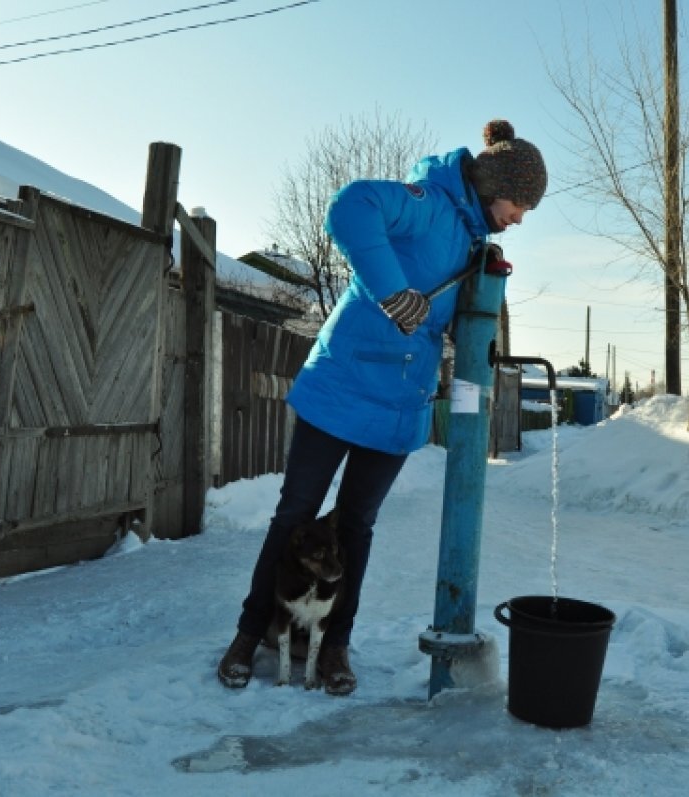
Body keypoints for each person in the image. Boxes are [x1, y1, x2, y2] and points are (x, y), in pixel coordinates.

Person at [217, 119, 547, 695]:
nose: (520, 217)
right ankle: (252, 632)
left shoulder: (471, 239)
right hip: (342, 387)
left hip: (398, 406)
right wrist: (392, 291)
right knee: (296, 515)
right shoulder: (429, 205)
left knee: (357, 528)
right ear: (494, 185)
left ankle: (335, 646)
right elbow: (350, 206)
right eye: (519, 203)